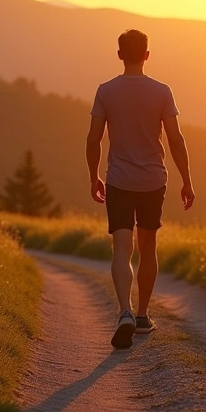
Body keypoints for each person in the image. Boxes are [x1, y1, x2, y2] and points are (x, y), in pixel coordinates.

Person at [86, 29, 195, 350]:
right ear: (147, 55)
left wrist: (93, 177)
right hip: (152, 181)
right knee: (148, 247)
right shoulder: (162, 92)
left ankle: (125, 312)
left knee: (121, 248)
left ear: (120, 55)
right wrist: (187, 180)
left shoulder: (106, 91)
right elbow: (175, 139)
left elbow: (93, 139)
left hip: (119, 180)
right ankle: (143, 316)